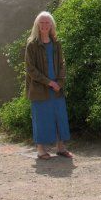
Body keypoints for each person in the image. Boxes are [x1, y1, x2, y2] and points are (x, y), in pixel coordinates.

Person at [25, 11, 73, 160]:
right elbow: (30, 69)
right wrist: (49, 82)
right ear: (37, 25)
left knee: (59, 116)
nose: (45, 25)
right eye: (42, 23)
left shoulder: (56, 43)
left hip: (57, 88)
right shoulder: (32, 45)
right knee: (41, 118)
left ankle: (61, 147)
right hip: (40, 89)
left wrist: (59, 82)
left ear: (51, 25)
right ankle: (41, 150)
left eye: (47, 22)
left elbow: (62, 64)